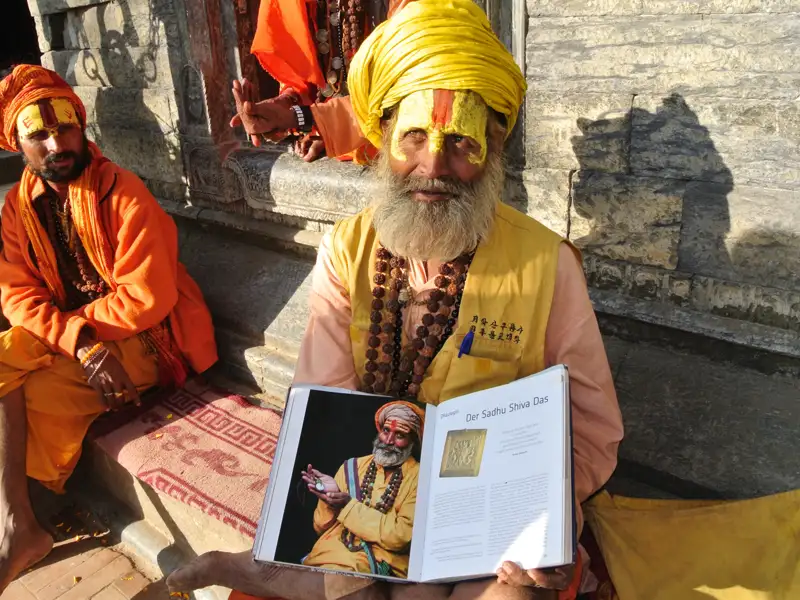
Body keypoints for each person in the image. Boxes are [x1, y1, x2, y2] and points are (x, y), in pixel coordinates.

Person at [167, 1, 623, 598]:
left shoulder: (546, 263)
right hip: (373, 491)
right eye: (414, 136)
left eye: (462, 141)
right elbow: (325, 401)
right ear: (383, 139)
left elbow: (591, 430)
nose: (434, 165)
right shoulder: (347, 249)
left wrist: (550, 514)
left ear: (494, 147)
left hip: (494, 512)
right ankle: (258, 568)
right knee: (358, 585)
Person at [0, 65, 217, 590]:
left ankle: (22, 524)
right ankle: (16, 519)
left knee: (40, 392)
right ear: (18, 145)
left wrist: (81, 342)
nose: (57, 143)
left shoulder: (121, 190)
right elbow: (16, 294)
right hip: (80, 339)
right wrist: (77, 342)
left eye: (66, 128)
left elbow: (148, 297)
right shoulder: (17, 208)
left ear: (82, 128)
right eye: (39, 135)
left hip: (147, 337)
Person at [231, 0, 414, 162]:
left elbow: (409, 81)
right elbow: (301, 72)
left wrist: (314, 120)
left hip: (402, 140)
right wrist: (289, 102)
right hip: (334, 135)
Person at [299, 400, 424, 577]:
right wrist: (330, 500)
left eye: (400, 435)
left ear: (413, 441)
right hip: (327, 556)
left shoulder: (419, 477)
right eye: (386, 431)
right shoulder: (352, 467)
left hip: (380, 565)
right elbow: (320, 528)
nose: (388, 441)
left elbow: (400, 537)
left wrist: (348, 505)